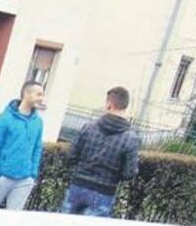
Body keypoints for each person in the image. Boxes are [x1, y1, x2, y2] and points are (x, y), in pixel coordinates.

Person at [60, 87, 140, 217]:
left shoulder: (88, 128)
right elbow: (129, 173)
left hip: (79, 184)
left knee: (65, 225)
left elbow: (71, 156)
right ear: (125, 106)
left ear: (109, 104)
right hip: (105, 191)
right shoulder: (131, 138)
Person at [0, 81, 46, 211]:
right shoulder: (4, 118)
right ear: (26, 94)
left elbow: (37, 147)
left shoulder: (38, 122)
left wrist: (32, 173)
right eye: (38, 94)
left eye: (42, 95)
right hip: (2, 177)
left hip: (24, 180)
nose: (41, 98)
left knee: (13, 218)